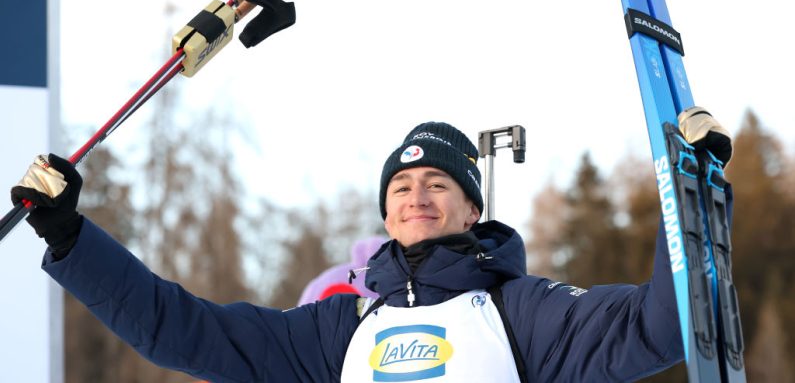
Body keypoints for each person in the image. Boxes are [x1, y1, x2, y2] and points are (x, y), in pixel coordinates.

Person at [10, 108, 733, 382]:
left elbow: (658, 329)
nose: (416, 195)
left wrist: (690, 207)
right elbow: (181, 330)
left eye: (436, 184)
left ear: (471, 206)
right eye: (401, 186)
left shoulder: (524, 311)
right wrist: (73, 235)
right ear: (386, 214)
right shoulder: (340, 327)